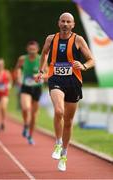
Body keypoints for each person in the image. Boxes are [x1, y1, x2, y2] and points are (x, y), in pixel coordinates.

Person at [35, 12, 95, 171]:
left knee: (68, 121)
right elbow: (44, 53)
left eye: (69, 21)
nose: (65, 24)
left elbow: (91, 60)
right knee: (59, 110)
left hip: (73, 82)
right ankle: (57, 143)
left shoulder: (78, 39)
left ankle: (64, 154)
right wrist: (42, 71)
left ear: (73, 25)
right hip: (55, 79)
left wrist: (83, 66)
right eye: (63, 21)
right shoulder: (50, 39)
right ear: (58, 22)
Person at [15, 41, 43, 145]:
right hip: (26, 86)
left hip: (37, 88)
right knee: (26, 108)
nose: (32, 51)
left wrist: (40, 75)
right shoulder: (22, 59)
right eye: (30, 49)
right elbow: (17, 68)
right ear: (27, 49)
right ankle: (26, 124)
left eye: (34, 49)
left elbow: (48, 71)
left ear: (37, 49)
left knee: (34, 115)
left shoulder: (41, 59)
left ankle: (30, 136)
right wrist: (18, 76)